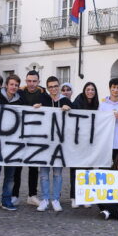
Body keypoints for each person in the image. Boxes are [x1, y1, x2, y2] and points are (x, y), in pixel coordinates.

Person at [15, 70, 51, 206]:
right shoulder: (20, 93)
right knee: (17, 166)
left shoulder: (44, 96)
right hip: (19, 135)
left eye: (34, 81)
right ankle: (14, 194)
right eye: (29, 81)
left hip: (37, 136)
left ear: (38, 82)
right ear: (26, 81)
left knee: (33, 167)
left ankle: (32, 195)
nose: (31, 84)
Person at [0, 74, 24, 211]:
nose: (14, 87)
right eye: (11, 84)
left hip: (13, 145)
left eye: (16, 85)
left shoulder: (21, 100)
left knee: (10, 176)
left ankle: (6, 199)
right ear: (6, 85)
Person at [37, 76, 71, 212]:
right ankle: (45, 199)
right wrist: (36, 108)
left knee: (57, 173)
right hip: (44, 143)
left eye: (55, 86)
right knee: (44, 173)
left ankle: (55, 199)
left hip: (59, 144)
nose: (53, 89)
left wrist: (70, 108)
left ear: (59, 86)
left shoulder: (66, 100)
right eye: (50, 87)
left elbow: (76, 118)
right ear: (47, 88)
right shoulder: (43, 100)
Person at [71, 82, 100, 208]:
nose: (90, 92)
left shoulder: (97, 105)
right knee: (75, 169)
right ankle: (74, 197)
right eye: (88, 89)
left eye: (92, 90)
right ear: (84, 91)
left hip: (90, 142)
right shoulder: (77, 102)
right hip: (77, 141)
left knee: (88, 169)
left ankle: (86, 196)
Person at [98, 78, 118, 157]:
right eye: (113, 87)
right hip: (105, 143)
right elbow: (98, 123)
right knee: (104, 168)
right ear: (109, 88)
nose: (115, 90)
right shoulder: (102, 105)